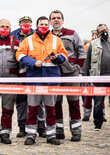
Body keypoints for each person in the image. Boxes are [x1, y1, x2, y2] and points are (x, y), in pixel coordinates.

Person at [16, 16, 68, 145]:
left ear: (49, 25)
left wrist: (57, 58)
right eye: (41, 24)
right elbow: (19, 54)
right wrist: (33, 62)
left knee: (51, 109)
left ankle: (51, 135)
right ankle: (30, 135)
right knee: (32, 108)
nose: (44, 26)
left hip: (51, 79)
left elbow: (64, 55)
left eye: (46, 24)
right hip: (35, 78)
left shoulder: (56, 40)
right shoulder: (28, 40)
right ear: (37, 25)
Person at [49, 10, 86, 141]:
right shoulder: (47, 36)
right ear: (50, 21)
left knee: (74, 102)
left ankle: (76, 131)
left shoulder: (72, 33)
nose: (56, 20)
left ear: (63, 20)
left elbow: (81, 52)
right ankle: (59, 130)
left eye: (58, 18)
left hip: (71, 74)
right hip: (54, 74)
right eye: (53, 18)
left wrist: (77, 68)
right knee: (56, 104)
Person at [10, 16, 46, 138]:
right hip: (19, 73)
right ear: (19, 24)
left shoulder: (37, 35)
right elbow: (12, 54)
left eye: (28, 22)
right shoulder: (12, 36)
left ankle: (41, 126)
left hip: (35, 72)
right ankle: (22, 127)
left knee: (39, 100)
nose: (26, 24)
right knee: (21, 102)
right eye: (24, 22)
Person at [81, 24, 110, 131]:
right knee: (98, 102)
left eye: (105, 30)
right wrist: (84, 76)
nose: (104, 32)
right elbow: (87, 61)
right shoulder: (93, 44)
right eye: (101, 31)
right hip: (99, 78)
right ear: (98, 34)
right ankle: (98, 124)